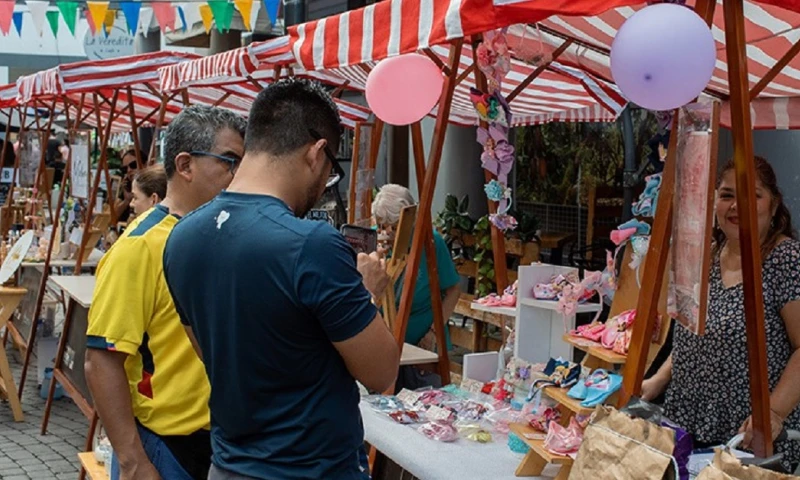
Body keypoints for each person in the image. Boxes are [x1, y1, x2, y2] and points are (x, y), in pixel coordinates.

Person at [162, 78, 399, 480]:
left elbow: (209, 351)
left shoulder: (181, 238)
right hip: (312, 468)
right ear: (317, 153)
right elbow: (381, 374)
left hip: (228, 465)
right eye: (330, 172)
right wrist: (368, 292)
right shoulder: (311, 245)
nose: (325, 184)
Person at [85, 105, 246, 480]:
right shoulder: (140, 246)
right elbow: (101, 360)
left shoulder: (225, 235)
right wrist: (132, 460)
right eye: (229, 161)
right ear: (186, 165)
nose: (239, 175)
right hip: (164, 445)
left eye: (244, 161)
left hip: (222, 441)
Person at [642, 156, 800, 470]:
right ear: (714, 202)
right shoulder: (708, 256)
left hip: (745, 439)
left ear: (772, 204)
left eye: (752, 195)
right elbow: (697, 334)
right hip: (685, 425)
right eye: (727, 195)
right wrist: (656, 380)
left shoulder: (785, 259)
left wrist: (773, 415)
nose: (736, 206)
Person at [372, 184, 461, 350]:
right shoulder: (372, 240)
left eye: (395, 226)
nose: (388, 232)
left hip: (424, 338)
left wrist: (433, 332)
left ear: (410, 220)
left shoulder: (431, 243)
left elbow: (453, 290)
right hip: (384, 342)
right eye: (382, 226)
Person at [115, 148, 145, 223]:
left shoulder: (153, 185)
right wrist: (126, 201)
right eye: (125, 168)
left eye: (133, 165)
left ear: (145, 164)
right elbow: (112, 216)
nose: (129, 170)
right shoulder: (127, 186)